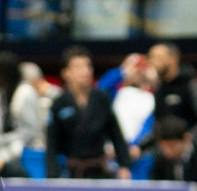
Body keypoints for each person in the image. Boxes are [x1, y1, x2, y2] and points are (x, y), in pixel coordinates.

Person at [46, 46, 132, 179]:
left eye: (88, 66)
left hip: (100, 170)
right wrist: (52, 176)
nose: (85, 71)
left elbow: (116, 134)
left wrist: (124, 165)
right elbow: (52, 144)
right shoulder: (59, 103)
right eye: (78, 67)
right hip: (71, 172)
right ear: (66, 73)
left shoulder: (102, 98)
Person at [146, 43, 197, 153]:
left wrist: (189, 138)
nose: (152, 61)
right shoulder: (159, 89)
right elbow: (157, 126)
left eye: (158, 57)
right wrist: (140, 147)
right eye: (151, 57)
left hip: (190, 150)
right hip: (165, 150)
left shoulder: (190, 84)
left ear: (173, 59)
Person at [19, 62, 62, 148]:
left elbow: (65, 99)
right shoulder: (25, 93)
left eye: (37, 79)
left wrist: (49, 90)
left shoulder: (51, 91)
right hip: (32, 143)